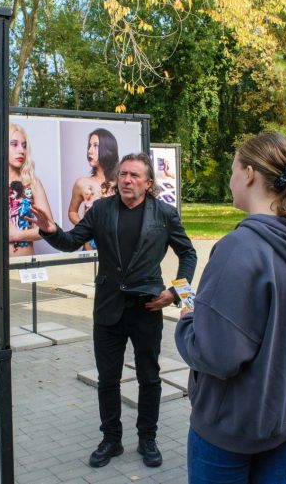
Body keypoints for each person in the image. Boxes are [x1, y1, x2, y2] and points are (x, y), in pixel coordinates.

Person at [174, 132, 286, 483]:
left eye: (233, 169)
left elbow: (217, 355)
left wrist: (187, 322)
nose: (230, 179)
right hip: (285, 420)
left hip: (231, 427)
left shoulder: (241, 247)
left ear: (248, 174)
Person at [31, 152, 197, 468]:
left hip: (147, 307)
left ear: (148, 183)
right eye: (123, 174)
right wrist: (50, 229)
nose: (126, 180)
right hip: (108, 309)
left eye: (134, 175)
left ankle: (147, 439)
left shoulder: (164, 214)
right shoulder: (102, 210)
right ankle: (111, 440)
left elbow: (189, 255)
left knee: (150, 377)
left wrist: (176, 294)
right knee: (108, 379)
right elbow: (69, 242)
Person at [67, 128, 119, 251]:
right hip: (90, 249)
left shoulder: (121, 183)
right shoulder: (82, 183)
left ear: (108, 149)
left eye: (95, 146)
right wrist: (87, 228)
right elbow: (72, 212)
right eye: (89, 146)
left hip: (116, 248)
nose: (89, 151)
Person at [7, 123, 53, 257]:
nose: (21, 150)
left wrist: (18, 235)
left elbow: (49, 227)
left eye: (24, 146)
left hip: (25, 266)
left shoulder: (32, 183)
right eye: (14, 144)